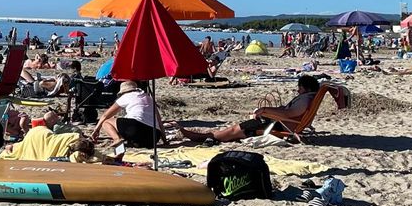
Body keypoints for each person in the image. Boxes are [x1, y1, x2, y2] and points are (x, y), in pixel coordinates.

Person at [179, 75, 320, 143]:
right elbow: (288, 112)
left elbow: (289, 113)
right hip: (279, 122)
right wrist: (269, 110)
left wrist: (265, 109)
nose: (298, 90)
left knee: (235, 131)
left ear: (306, 88)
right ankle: (210, 134)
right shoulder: (309, 98)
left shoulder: (305, 99)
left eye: (300, 87)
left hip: (278, 125)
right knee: (234, 128)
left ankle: (203, 137)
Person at [92, 81, 163, 149]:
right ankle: (134, 142)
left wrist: (96, 130)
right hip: (154, 136)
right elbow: (159, 121)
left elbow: (105, 115)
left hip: (136, 128)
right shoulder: (148, 98)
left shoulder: (126, 96)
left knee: (106, 122)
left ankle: (117, 139)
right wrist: (165, 140)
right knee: (126, 125)